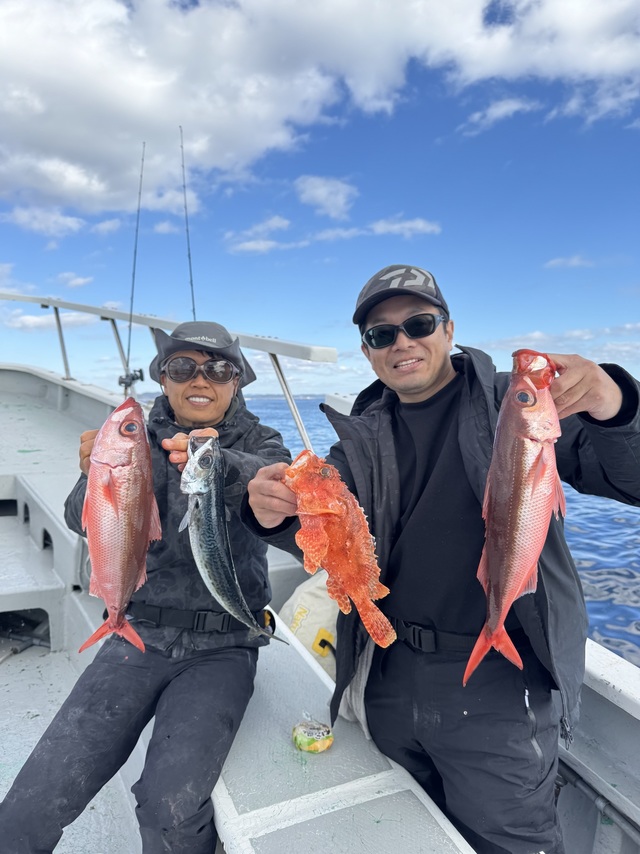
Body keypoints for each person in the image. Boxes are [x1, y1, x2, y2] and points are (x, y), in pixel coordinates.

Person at [242, 265, 640, 854]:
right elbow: (323, 534)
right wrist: (268, 512)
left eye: (419, 324)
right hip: (386, 674)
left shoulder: (516, 403)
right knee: (407, 834)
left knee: (511, 842)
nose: (402, 342)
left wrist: (617, 404)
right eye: (382, 334)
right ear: (368, 352)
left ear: (449, 330)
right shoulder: (360, 437)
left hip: (498, 684)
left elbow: (628, 477)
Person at [0, 321, 291, 854]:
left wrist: (223, 465)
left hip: (225, 644)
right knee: (28, 806)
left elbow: (275, 481)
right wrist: (96, 474)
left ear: (237, 381)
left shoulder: (262, 443)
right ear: (163, 377)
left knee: (168, 809)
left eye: (217, 368)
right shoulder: (133, 440)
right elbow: (79, 518)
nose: (199, 379)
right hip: (137, 633)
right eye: (182, 367)